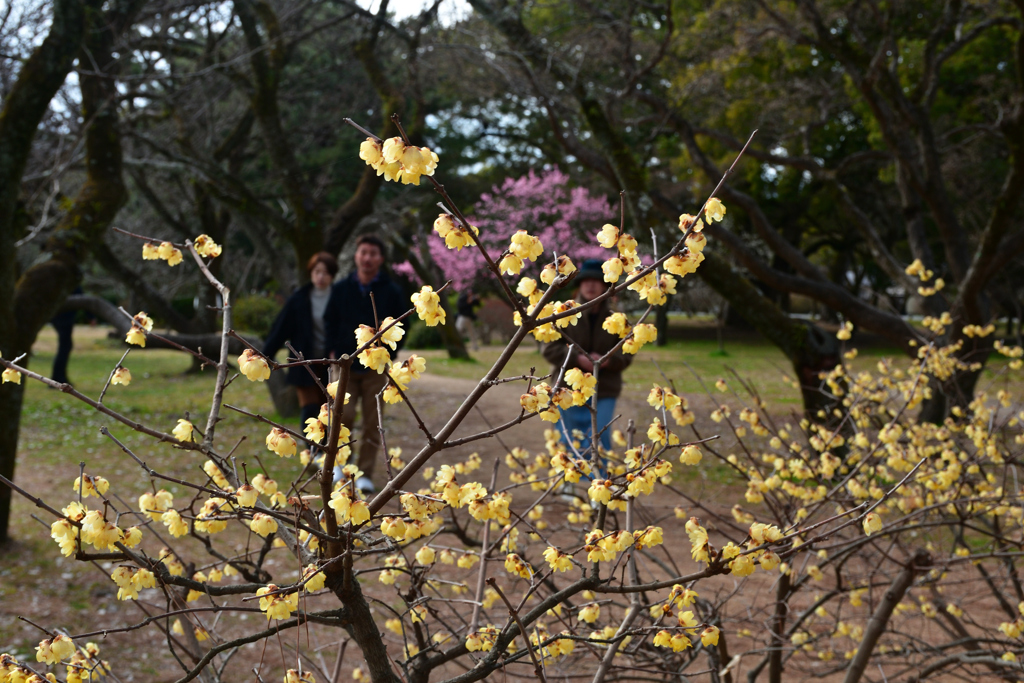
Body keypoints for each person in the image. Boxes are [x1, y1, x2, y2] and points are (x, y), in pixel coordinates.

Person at [325, 235, 406, 493]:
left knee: (373, 421)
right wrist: (331, 350)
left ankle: (365, 473)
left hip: (375, 367)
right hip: (344, 363)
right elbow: (329, 320)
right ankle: (340, 464)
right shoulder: (340, 288)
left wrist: (389, 352)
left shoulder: (391, 291)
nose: (368, 258)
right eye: (363, 252)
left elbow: (404, 324)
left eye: (373, 253)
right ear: (356, 256)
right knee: (341, 416)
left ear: (380, 259)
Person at [542, 259, 631, 454]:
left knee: (600, 435)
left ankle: (601, 478)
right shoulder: (563, 312)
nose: (591, 285)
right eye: (586, 280)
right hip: (567, 387)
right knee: (566, 435)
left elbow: (627, 353)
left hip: (604, 388)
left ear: (606, 285)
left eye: (597, 280)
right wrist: (575, 358)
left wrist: (608, 361)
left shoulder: (617, 318)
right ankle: (567, 478)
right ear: (579, 284)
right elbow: (548, 348)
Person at [263, 252, 339, 429]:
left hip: (331, 364)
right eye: (317, 271)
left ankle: (330, 452)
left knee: (328, 410)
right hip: (304, 362)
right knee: (309, 408)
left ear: (332, 275)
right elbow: (281, 328)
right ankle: (312, 452)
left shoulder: (339, 297)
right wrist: (265, 355)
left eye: (325, 272)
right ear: (311, 272)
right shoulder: (299, 299)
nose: (320, 277)